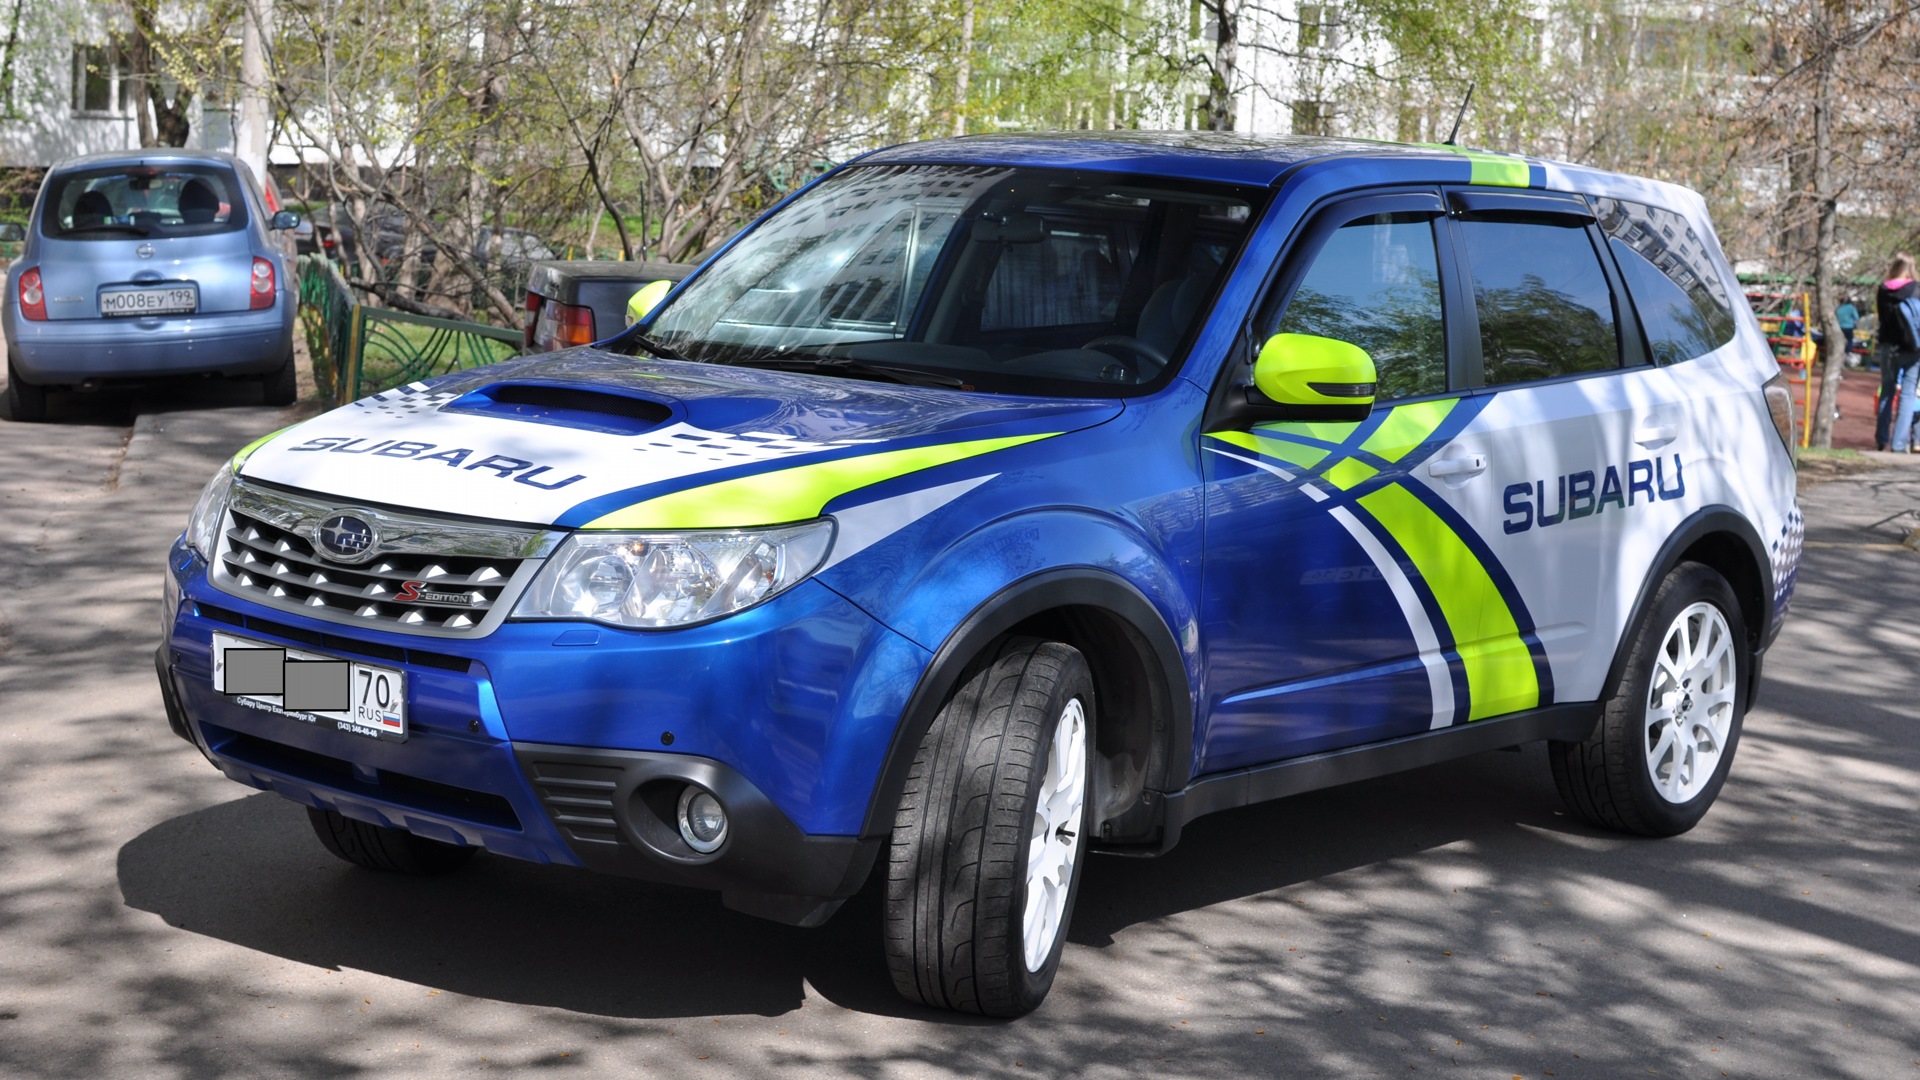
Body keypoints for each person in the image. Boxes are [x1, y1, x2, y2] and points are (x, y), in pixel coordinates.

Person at [1874, 254, 1920, 452]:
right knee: (1907, 395)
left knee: (1887, 390)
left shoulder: (1883, 290)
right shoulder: (1916, 289)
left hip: (1888, 346)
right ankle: (1898, 443)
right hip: (1913, 347)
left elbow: (1882, 318)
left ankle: (1881, 438)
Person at [1837, 296, 1860, 362]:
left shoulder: (1839, 308)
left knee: (1840, 342)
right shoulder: (1851, 307)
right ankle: (1846, 354)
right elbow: (1856, 317)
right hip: (1849, 327)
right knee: (1849, 341)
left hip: (1839, 327)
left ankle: (1839, 354)